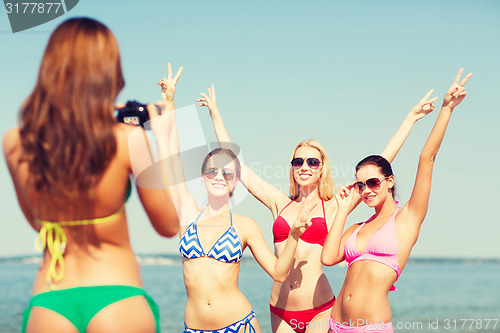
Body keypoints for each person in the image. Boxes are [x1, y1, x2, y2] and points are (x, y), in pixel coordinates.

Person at [197, 83, 437, 333]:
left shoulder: (335, 204)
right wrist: (215, 115)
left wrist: (410, 120)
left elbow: (383, 159)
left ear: (322, 167)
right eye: (298, 161)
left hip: (319, 309)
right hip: (279, 310)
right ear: (292, 166)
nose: (305, 166)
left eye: (313, 161)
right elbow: (239, 166)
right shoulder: (278, 202)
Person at [2, 18, 179, 333]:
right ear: (108, 71)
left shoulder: (15, 142)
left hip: (50, 300)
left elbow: (36, 222)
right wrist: (160, 140)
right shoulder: (127, 139)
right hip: (117, 295)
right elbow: (169, 225)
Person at [154, 65, 313, 333]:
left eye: (227, 172)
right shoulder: (188, 214)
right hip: (193, 328)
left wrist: (295, 235)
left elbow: (278, 273)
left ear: (235, 182)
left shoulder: (245, 225)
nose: (219, 176)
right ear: (203, 177)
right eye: (212, 170)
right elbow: (170, 160)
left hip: (238, 326)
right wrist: (169, 103)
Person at [321, 68, 472, 333]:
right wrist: (343, 211)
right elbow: (328, 257)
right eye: (360, 184)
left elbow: (427, 158)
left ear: (389, 181)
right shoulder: (356, 227)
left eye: (373, 182)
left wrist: (447, 108)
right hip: (335, 326)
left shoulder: (408, 218)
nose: (366, 189)